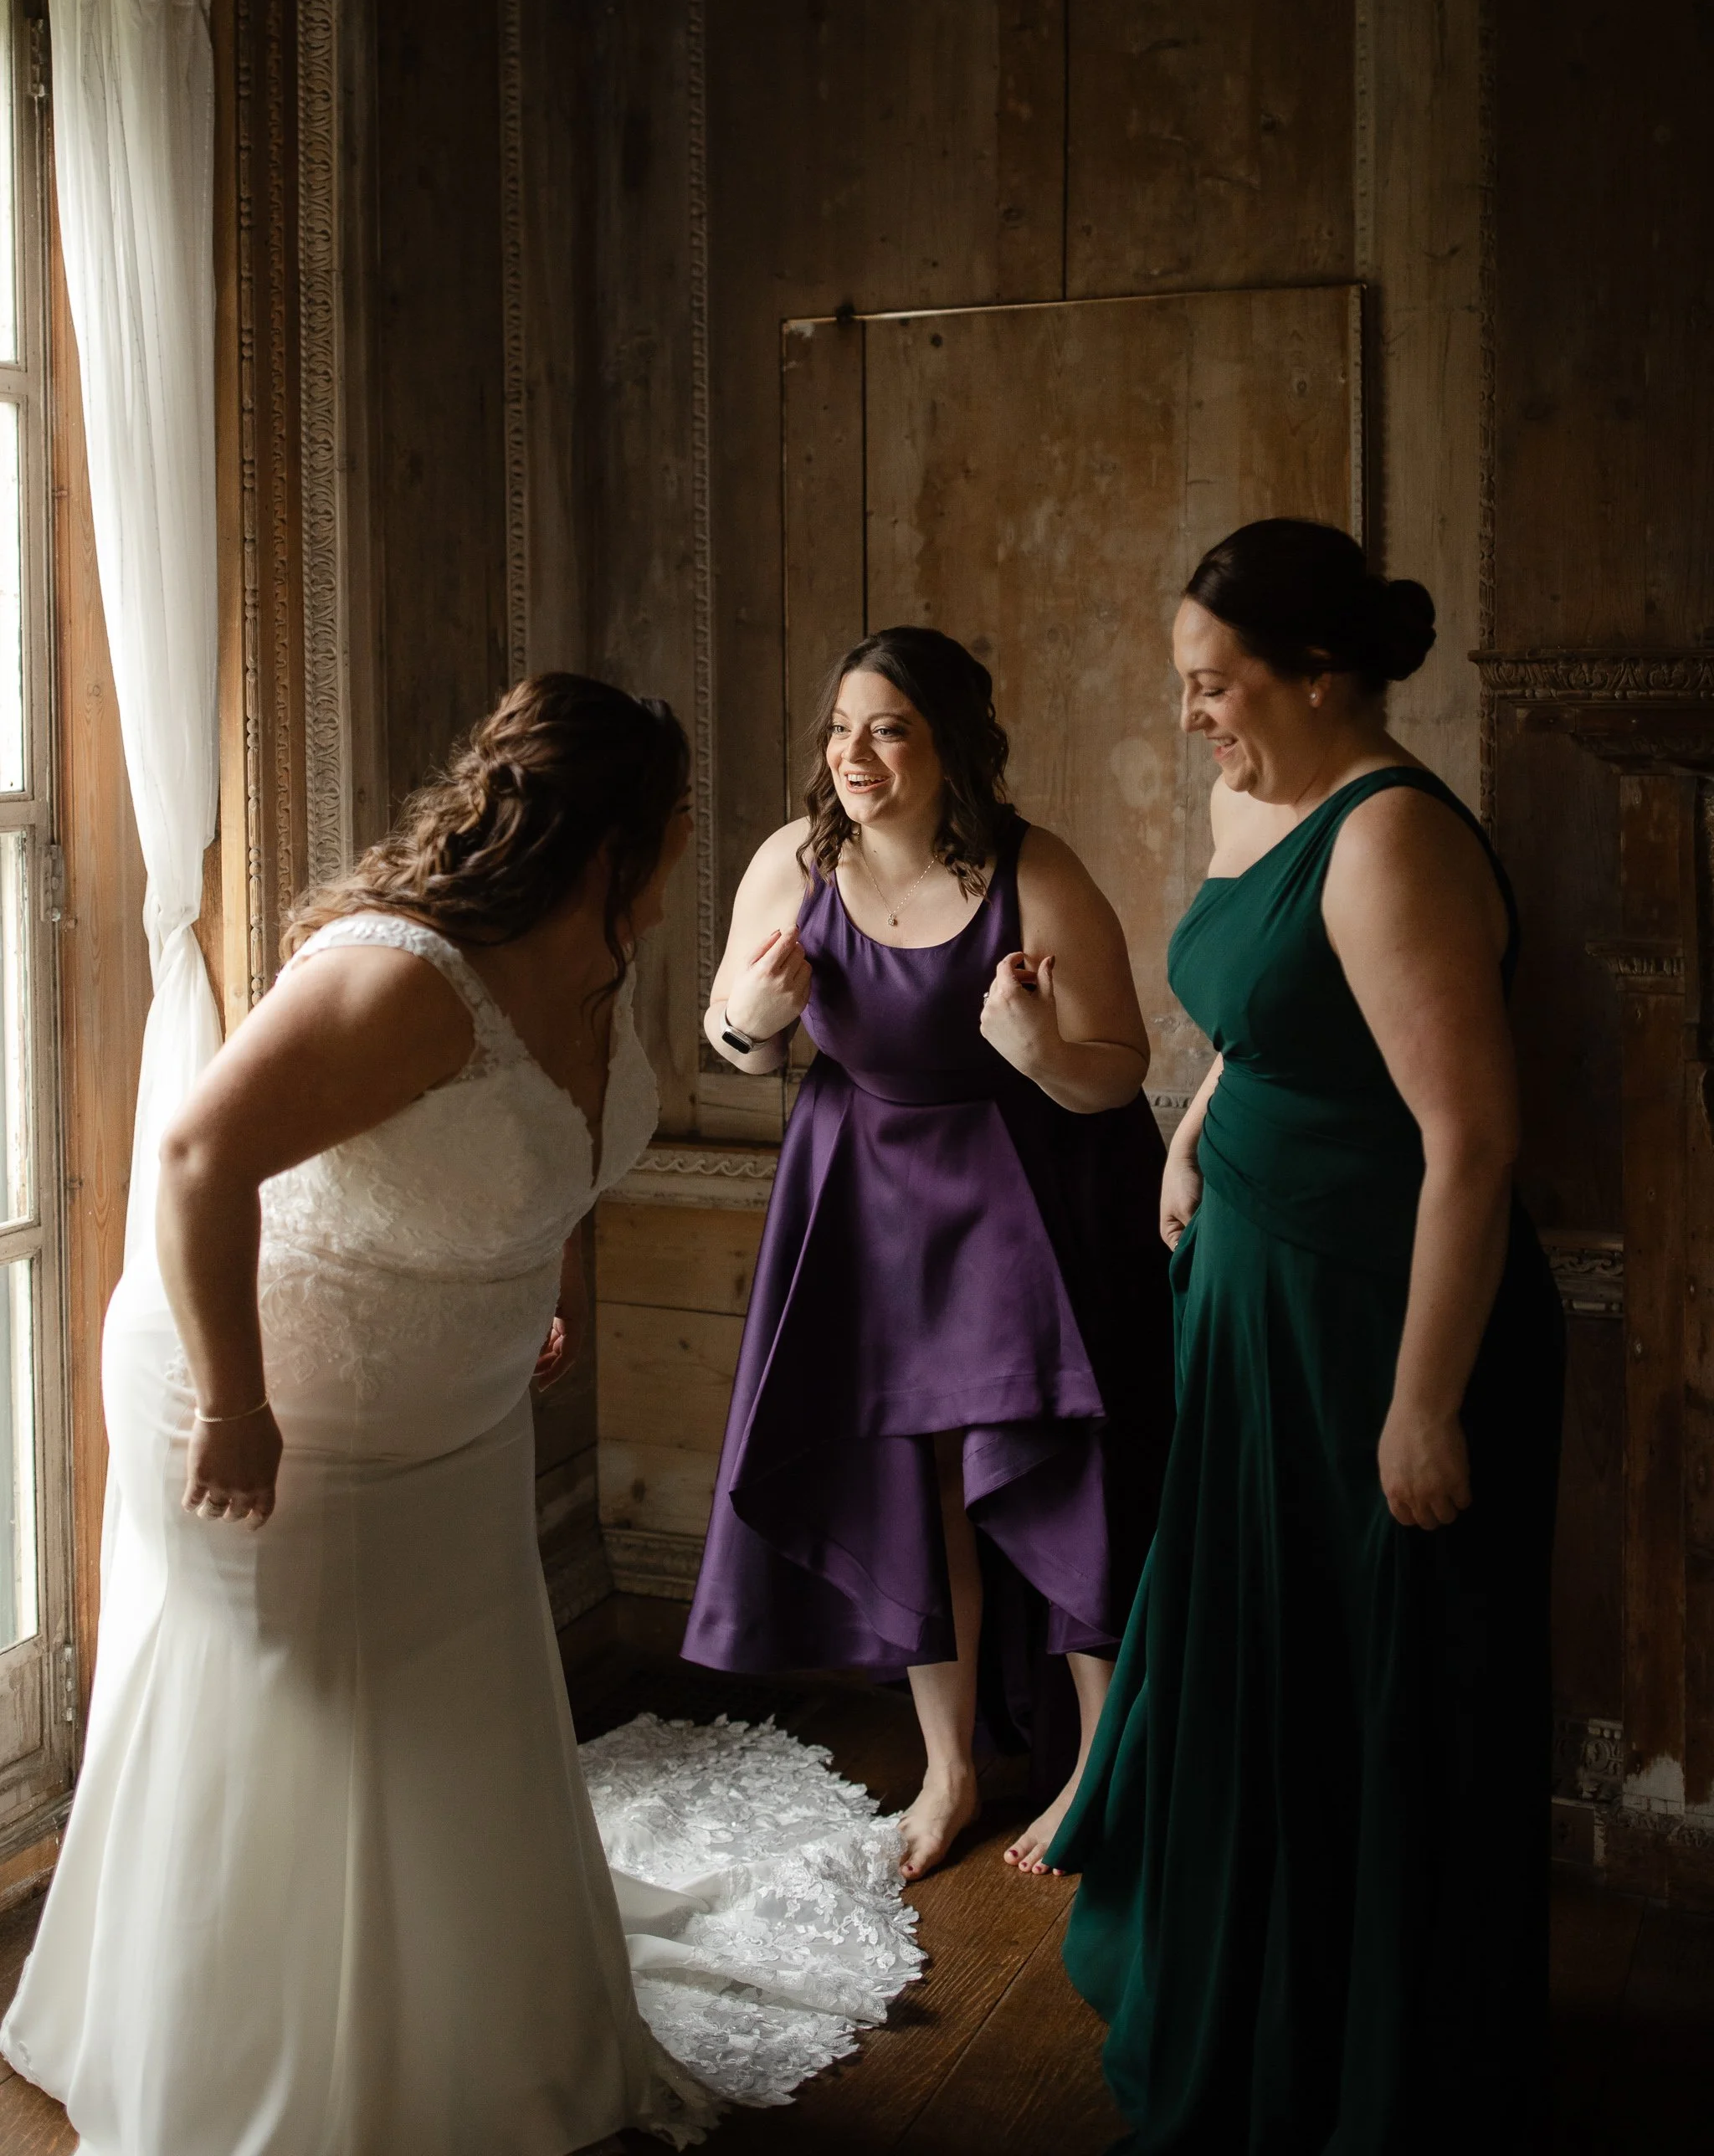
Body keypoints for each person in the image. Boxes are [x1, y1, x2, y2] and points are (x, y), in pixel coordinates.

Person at [0, 675, 912, 2156]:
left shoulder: (597, 961)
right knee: (298, 1731)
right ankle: (253, 2068)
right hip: (270, 1396)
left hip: (454, 1407)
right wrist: (236, 1402)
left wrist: (533, 1265)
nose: (686, 848)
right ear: (630, 833)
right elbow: (189, 1162)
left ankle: (470, 2039)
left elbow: (545, 1149)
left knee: (450, 1711)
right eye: (677, 826)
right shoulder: (403, 973)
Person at [1049, 521, 1565, 2151]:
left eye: (1216, 682)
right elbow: (1271, 1009)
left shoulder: (1391, 839)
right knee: (1259, 1649)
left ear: (1318, 674)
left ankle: (1359, 2054)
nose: (1194, 712)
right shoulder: (1250, 800)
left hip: (1381, 1316)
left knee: (1363, 1684)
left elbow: (1472, 1145)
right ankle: (1239, 1977)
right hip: (1250, 1290)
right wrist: (1197, 1127)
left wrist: (1421, 1409)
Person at [681, 627, 1173, 1879]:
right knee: (915, 1482)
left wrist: (1035, 1047)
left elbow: (1119, 1076)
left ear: (951, 746)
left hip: (1028, 1190)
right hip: (862, 1195)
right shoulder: (791, 866)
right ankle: (949, 1776)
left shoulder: (1035, 871)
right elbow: (732, 1042)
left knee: (1057, 1469)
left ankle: (1098, 1770)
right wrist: (748, 1022)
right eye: (841, 728)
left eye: (888, 727)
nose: (854, 753)